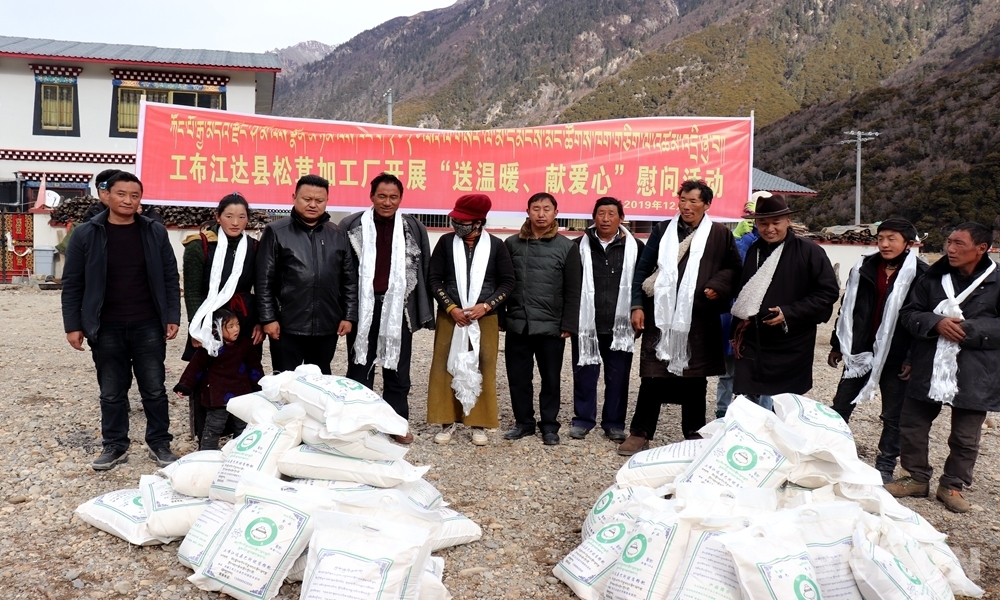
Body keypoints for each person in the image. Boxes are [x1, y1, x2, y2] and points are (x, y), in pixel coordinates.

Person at [61, 171, 180, 470]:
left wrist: (172, 316)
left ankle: (159, 442)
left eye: (134, 195)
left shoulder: (154, 232)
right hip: (105, 325)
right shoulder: (86, 234)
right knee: (112, 391)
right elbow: (73, 283)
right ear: (106, 195)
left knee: (154, 388)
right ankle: (114, 445)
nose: (128, 200)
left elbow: (169, 276)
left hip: (148, 323)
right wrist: (73, 325)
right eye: (122, 194)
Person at [618, 180, 742, 455]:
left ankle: (694, 431)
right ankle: (640, 432)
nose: (686, 206)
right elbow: (643, 269)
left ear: (707, 204)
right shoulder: (663, 230)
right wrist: (637, 306)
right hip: (661, 316)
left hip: (698, 317)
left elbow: (735, 270)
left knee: (695, 378)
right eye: (682, 200)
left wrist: (718, 285)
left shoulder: (720, 234)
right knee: (653, 374)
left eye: (693, 201)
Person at [886, 223, 1000, 513]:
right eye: (949, 242)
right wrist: (935, 322)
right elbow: (909, 313)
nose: (950, 249)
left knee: (965, 435)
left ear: (982, 248)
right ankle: (915, 477)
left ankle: (952, 485)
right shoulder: (933, 277)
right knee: (912, 423)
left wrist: (971, 330)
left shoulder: (997, 281)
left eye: (959, 243)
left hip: (977, 368)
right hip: (929, 361)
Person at [828, 218, 927, 483]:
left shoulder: (921, 274)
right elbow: (847, 308)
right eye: (881, 238)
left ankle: (885, 465)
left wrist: (911, 358)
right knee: (840, 406)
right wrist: (838, 344)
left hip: (896, 355)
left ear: (908, 243)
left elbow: (922, 320)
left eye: (892, 239)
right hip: (860, 351)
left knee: (893, 415)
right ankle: (830, 454)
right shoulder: (864, 267)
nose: (884, 244)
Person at [342, 173, 435, 444]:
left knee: (398, 369)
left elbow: (423, 269)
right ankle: (360, 424)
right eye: (382, 196)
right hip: (363, 308)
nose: (387, 202)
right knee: (360, 366)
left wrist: (422, 311)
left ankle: (396, 422)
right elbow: (342, 271)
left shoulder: (412, 227)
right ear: (371, 196)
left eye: (393, 197)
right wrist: (345, 311)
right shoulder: (352, 225)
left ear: (401, 198)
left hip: (398, 309)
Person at [729, 194, 839, 407]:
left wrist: (788, 312)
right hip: (753, 339)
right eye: (763, 223)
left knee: (784, 404)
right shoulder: (754, 251)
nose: (769, 228)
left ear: (788, 221)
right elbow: (743, 291)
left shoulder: (809, 251)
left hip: (792, 343)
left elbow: (827, 293)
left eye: (775, 222)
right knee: (747, 401)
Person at [426, 194, 515, 446]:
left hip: (484, 318)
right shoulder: (445, 243)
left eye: (463, 221)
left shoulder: (496, 246)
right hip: (450, 317)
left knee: (482, 367)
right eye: (455, 219)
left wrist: (486, 306)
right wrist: (451, 307)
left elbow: (508, 282)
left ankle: (479, 424)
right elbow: (434, 279)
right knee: (445, 366)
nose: (456, 224)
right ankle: (447, 421)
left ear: (478, 222)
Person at [181, 192, 263, 442]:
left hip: (243, 317)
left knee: (244, 369)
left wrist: (260, 321)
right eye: (229, 216)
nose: (236, 222)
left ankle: (242, 429)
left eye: (242, 217)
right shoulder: (199, 246)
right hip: (209, 318)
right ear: (217, 217)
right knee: (208, 370)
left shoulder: (253, 247)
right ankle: (208, 432)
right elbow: (192, 291)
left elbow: (261, 287)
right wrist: (197, 328)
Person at [502, 192, 582, 446]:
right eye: (536, 209)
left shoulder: (566, 247)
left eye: (546, 209)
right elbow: (503, 283)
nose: (541, 214)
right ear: (527, 212)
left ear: (556, 213)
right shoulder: (512, 244)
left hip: (551, 327)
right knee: (518, 378)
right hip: (519, 324)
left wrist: (569, 324)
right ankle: (523, 423)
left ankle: (549, 425)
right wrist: (502, 318)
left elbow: (573, 289)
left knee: (551, 379)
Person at [257, 175, 358, 375]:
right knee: (285, 380)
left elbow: (349, 280)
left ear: (327, 201)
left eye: (319, 200)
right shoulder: (276, 231)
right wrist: (268, 319)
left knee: (319, 380)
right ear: (294, 197)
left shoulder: (338, 234)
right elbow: (263, 280)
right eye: (307, 199)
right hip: (286, 325)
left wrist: (349, 315)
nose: (313, 205)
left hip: (326, 324)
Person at [568, 197, 644, 442]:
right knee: (584, 375)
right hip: (586, 324)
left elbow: (641, 284)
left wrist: (638, 311)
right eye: (601, 213)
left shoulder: (635, 247)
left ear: (621, 218)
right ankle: (582, 420)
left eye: (612, 214)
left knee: (618, 378)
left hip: (620, 325)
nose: (606, 219)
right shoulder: (578, 246)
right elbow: (569, 286)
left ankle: (614, 423)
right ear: (594, 217)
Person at [174, 309, 263, 450]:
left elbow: (254, 368)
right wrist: (184, 386)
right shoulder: (210, 348)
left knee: (243, 426)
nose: (236, 329)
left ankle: (240, 452)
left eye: (237, 324)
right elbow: (195, 368)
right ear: (216, 329)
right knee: (214, 427)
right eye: (230, 326)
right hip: (217, 396)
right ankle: (206, 453)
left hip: (241, 395)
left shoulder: (245, 346)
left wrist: (260, 386)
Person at [715, 194, 762, 418]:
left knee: (759, 370)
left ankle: (759, 412)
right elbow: (730, 266)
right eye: (750, 215)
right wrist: (736, 237)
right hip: (731, 312)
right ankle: (722, 412)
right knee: (728, 370)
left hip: (759, 314)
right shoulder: (738, 240)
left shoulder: (775, 243)